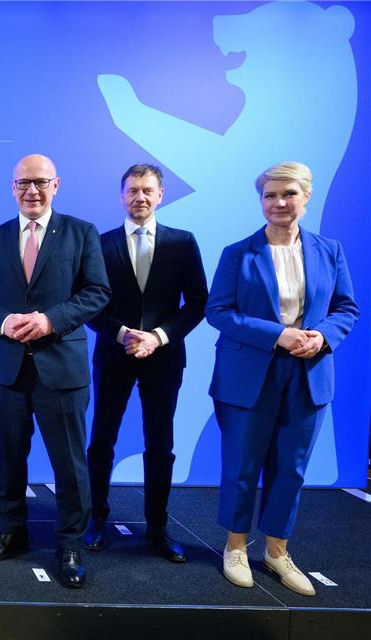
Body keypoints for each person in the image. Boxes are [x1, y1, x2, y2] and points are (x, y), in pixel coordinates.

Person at [207, 161, 357, 595]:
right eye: (270, 195)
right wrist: (279, 335)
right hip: (248, 375)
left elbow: (346, 309)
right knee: (241, 465)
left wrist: (322, 337)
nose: (279, 203)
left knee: (290, 469)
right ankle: (235, 548)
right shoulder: (238, 253)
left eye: (288, 194)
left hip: (309, 375)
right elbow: (218, 311)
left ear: (306, 197)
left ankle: (277, 552)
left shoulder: (330, 250)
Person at [0, 154, 110, 588]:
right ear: (12, 188)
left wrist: (51, 320)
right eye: (23, 183)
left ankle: (69, 544)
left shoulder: (81, 233)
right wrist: (4, 321)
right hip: (8, 368)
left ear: (56, 185)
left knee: (69, 464)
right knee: (10, 457)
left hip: (60, 367)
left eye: (40, 182)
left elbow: (98, 291)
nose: (32, 190)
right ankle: (10, 531)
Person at [85, 164, 208, 562]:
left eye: (147, 190)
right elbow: (88, 304)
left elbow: (198, 303)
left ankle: (157, 526)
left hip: (164, 357)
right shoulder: (99, 244)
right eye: (133, 190)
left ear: (161, 194)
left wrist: (158, 337)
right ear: (121, 195)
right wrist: (123, 335)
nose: (140, 197)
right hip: (114, 353)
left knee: (161, 444)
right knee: (101, 441)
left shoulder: (183, 243)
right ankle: (96, 519)